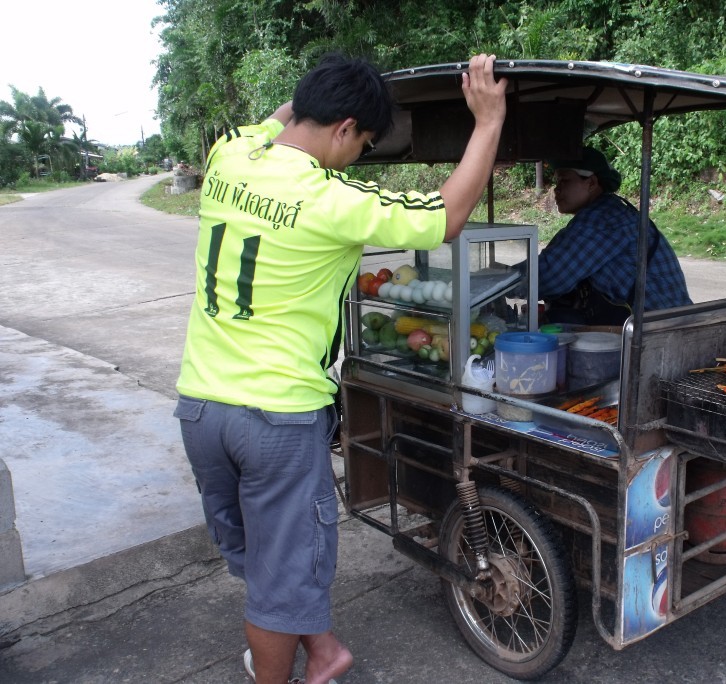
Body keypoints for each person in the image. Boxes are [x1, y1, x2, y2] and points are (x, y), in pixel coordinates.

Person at [173, 53, 507, 684]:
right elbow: (448, 215)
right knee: (283, 580)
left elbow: (273, 121)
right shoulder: (332, 199)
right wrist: (487, 121)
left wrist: (314, 94)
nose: (358, 157)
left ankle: (322, 649)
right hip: (277, 417)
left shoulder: (230, 157)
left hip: (200, 408)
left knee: (258, 553)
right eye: (364, 143)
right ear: (346, 128)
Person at [536, 146, 692, 325]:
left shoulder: (602, 218)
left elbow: (552, 275)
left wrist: (503, 281)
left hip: (658, 329)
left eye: (564, 181)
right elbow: (558, 257)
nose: (557, 190)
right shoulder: (605, 212)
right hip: (663, 322)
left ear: (591, 183)